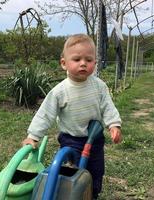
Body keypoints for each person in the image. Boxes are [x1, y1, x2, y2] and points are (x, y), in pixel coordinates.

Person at [22, 33, 122, 199]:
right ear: (64, 63)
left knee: (96, 170)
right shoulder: (60, 91)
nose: (83, 63)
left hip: (95, 140)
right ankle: (71, 193)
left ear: (95, 63)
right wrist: (33, 136)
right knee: (71, 173)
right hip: (71, 140)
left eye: (89, 60)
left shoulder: (99, 86)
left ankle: (92, 193)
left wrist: (114, 124)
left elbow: (108, 107)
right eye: (77, 59)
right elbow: (45, 114)